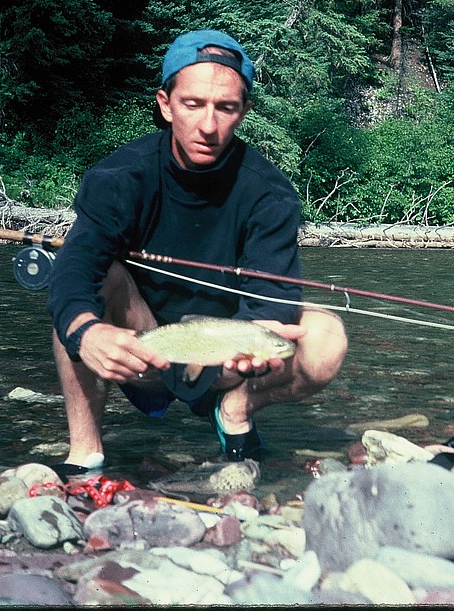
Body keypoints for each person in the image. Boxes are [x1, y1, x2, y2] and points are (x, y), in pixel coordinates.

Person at [45, 29, 348, 478]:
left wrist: (247, 351)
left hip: (224, 362)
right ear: (166, 104)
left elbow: (272, 298)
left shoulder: (271, 194)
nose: (209, 125)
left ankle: (236, 408)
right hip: (141, 347)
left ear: (243, 111)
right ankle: (85, 453)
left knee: (326, 335)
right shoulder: (117, 177)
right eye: (193, 105)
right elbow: (74, 272)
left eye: (225, 108)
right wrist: (87, 334)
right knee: (80, 301)